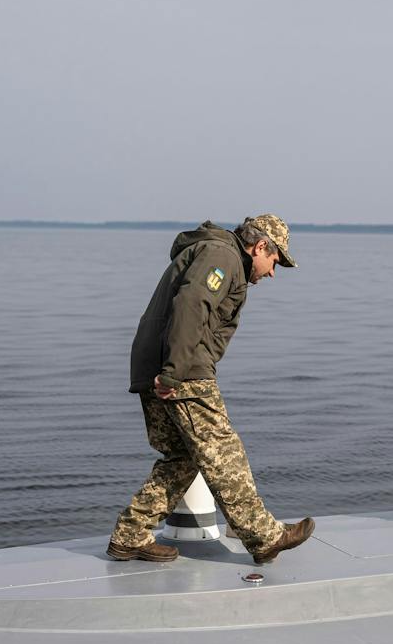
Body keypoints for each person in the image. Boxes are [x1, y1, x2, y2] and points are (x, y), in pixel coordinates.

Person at [108, 215, 315, 565]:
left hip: (159, 364)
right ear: (260, 246)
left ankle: (130, 535)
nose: (272, 272)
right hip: (181, 369)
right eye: (274, 261)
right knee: (223, 452)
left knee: (183, 457)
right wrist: (174, 373)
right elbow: (191, 306)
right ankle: (265, 537)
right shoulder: (223, 257)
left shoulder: (217, 254)